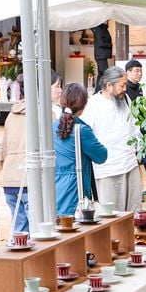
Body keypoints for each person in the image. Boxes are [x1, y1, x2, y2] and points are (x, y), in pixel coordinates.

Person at [0, 70, 62, 233]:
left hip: (10, 178)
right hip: (32, 179)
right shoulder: (46, 115)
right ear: (44, 88)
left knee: (20, 232)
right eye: (57, 86)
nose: (60, 90)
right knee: (38, 233)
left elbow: (3, 150)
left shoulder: (12, 114)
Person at [80, 66, 143, 212]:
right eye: (122, 85)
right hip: (108, 169)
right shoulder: (93, 105)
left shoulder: (126, 99)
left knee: (134, 211)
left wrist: (139, 150)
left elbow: (134, 126)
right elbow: (86, 137)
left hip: (130, 164)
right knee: (112, 215)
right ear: (109, 85)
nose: (125, 89)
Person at [53, 83, 108, 217]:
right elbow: (102, 156)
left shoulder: (51, 127)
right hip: (76, 193)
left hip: (54, 190)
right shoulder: (81, 130)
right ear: (83, 105)